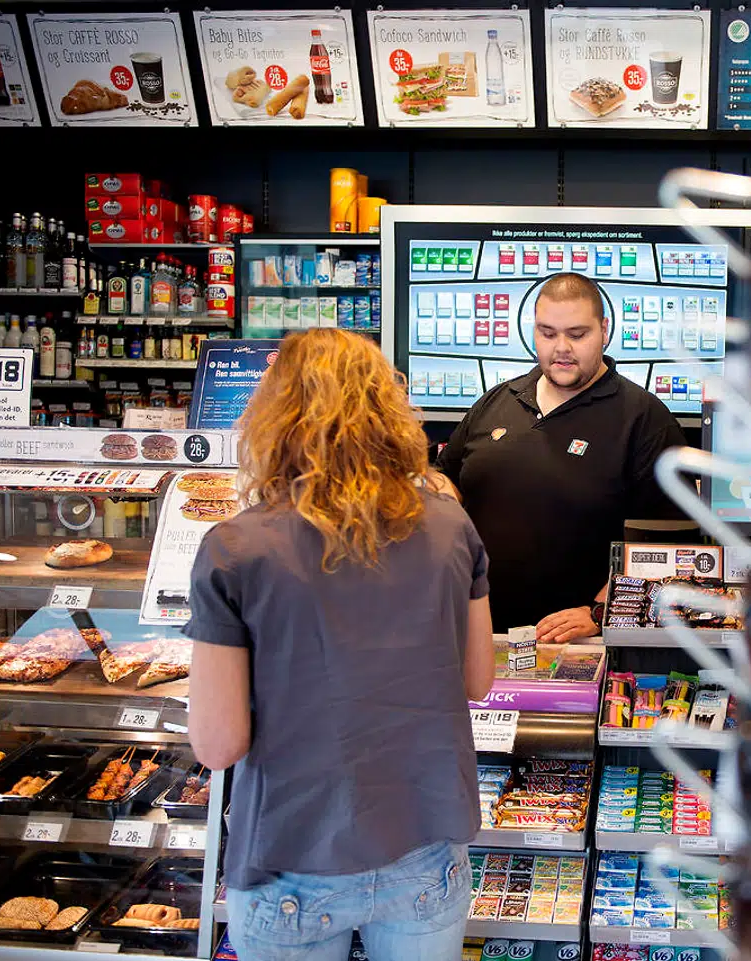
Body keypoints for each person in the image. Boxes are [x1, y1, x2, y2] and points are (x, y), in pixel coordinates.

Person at [185, 329, 494, 961]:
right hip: (425, 846)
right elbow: (476, 679)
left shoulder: (234, 549)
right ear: (389, 411)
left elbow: (218, 746)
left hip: (290, 855)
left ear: (274, 417)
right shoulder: (450, 525)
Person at [437, 272, 686, 642]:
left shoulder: (644, 418)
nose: (561, 347)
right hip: (483, 634)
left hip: (579, 645)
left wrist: (602, 611)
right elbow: (448, 478)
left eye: (577, 334)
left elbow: (669, 544)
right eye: (548, 333)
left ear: (604, 330)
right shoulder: (498, 401)